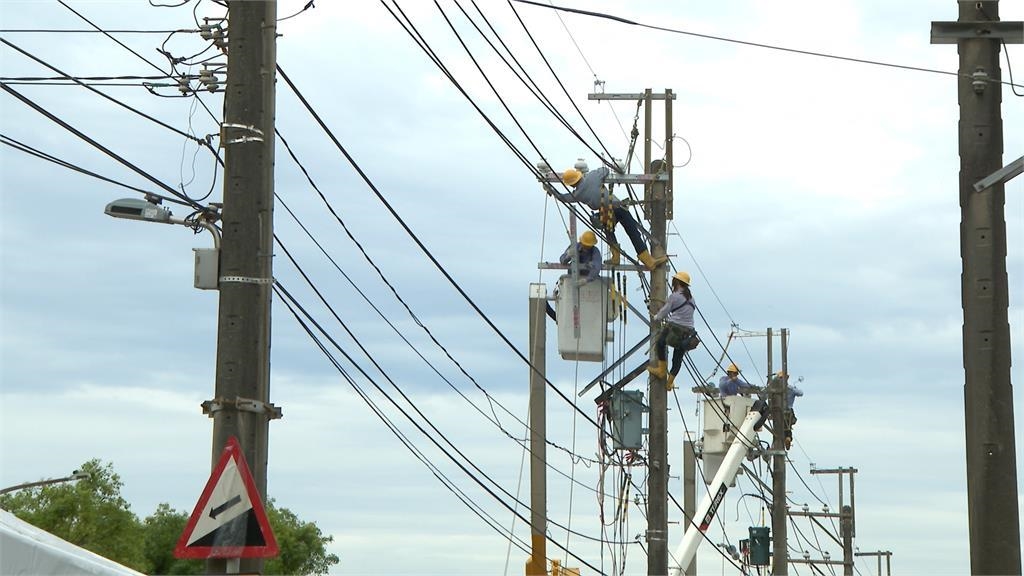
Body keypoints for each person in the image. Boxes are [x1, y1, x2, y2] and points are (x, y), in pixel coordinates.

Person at [548, 166, 667, 270]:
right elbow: (605, 170)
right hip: (618, 207)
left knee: (609, 232)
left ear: (571, 184)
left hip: (605, 213)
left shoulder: (577, 194)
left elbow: (564, 198)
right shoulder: (592, 176)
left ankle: (615, 257)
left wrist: (551, 189)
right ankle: (648, 261)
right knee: (633, 232)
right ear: (579, 175)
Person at [648, 271, 699, 390]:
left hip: (675, 326)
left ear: (676, 282)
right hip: (688, 331)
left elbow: (664, 312)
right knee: (678, 357)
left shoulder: (674, 296)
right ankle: (669, 382)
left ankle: (661, 370)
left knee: (660, 343)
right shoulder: (691, 299)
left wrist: (656, 317)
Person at [768, 371, 803, 450]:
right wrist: (794, 388)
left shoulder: (774, 389)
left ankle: (776, 443)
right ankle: (788, 438)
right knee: (787, 427)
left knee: (777, 429)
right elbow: (801, 393)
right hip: (788, 411)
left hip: (776, 411)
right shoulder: (790, 389)